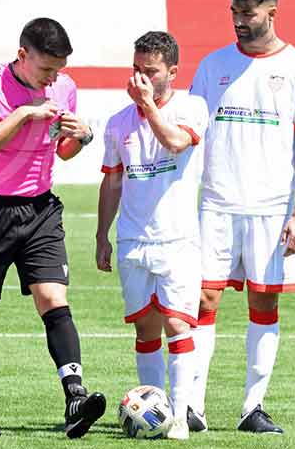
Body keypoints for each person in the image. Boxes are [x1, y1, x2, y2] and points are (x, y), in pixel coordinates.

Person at [0, 17, 105, 439]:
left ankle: (75, 397)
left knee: (53, 298)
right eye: (46, 69)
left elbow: (64, 150)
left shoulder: (64, 87)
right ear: (22, 56)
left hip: (40, 210)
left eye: (59, 70)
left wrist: (83, 136)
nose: (54, 79)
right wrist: (22, 114)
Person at [188, 0, 295, 434]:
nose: (239, 21)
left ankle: (252, 408)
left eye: (247, 13)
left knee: (265, 305)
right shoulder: (212, 66)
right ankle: (193, 406)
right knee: (203, 300)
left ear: (272, 11)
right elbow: (190, 133)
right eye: (234, 12)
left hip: (272, 208)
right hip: (217, 205)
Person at [95, 31, 208, 440]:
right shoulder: (117, 123)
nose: (140, 78)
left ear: (172, 72)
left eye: (151, 71)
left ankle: (179, 415)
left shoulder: (192, 107)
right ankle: (154, 413)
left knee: (178, 325)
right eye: (136, 69)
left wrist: (147, 107)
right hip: (132, 240)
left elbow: (177, 142)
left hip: (178, 240)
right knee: (145, 329)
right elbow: (111, 182)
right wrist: (101, 235)